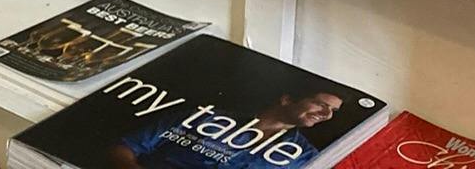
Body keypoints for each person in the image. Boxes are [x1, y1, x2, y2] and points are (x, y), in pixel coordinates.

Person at [111, 91, 342, 169]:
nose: (326, 114)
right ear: (287, 99)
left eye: (332, 111)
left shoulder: (307, 157)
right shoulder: (204, 116)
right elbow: (125, 148)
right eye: (321, 104)